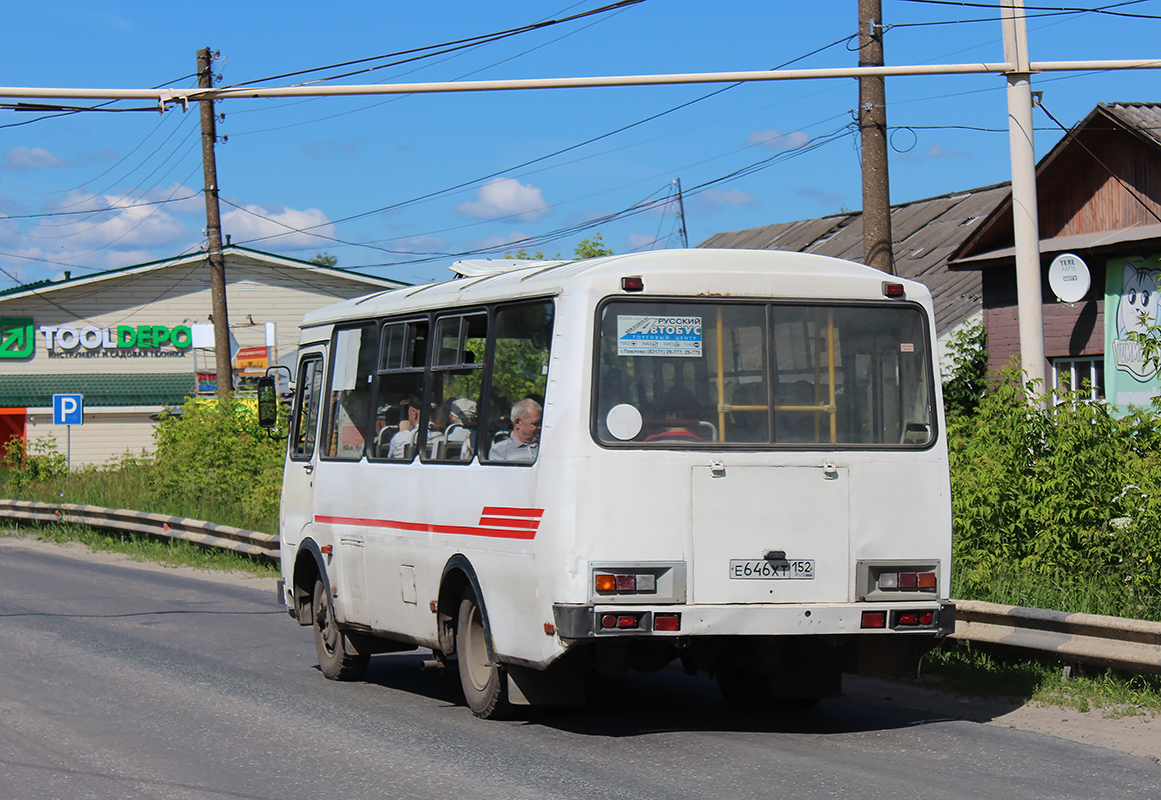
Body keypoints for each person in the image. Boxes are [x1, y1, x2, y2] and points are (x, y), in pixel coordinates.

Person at [488, 398, 542, 462]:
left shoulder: (546, 447)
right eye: (535, 424)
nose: (540, 427)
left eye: (541, 423)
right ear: (518, 423)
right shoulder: (499, 450)